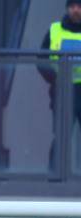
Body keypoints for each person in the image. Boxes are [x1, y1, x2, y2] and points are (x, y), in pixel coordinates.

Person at [39, 0, 81, 170]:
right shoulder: (54, 30)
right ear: (67, 9)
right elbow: (40, 59)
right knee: (62, 137)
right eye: (72, 7)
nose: (76, 10)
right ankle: (55, 179)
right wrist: (53, 78)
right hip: (63, 91)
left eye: (79, 6)